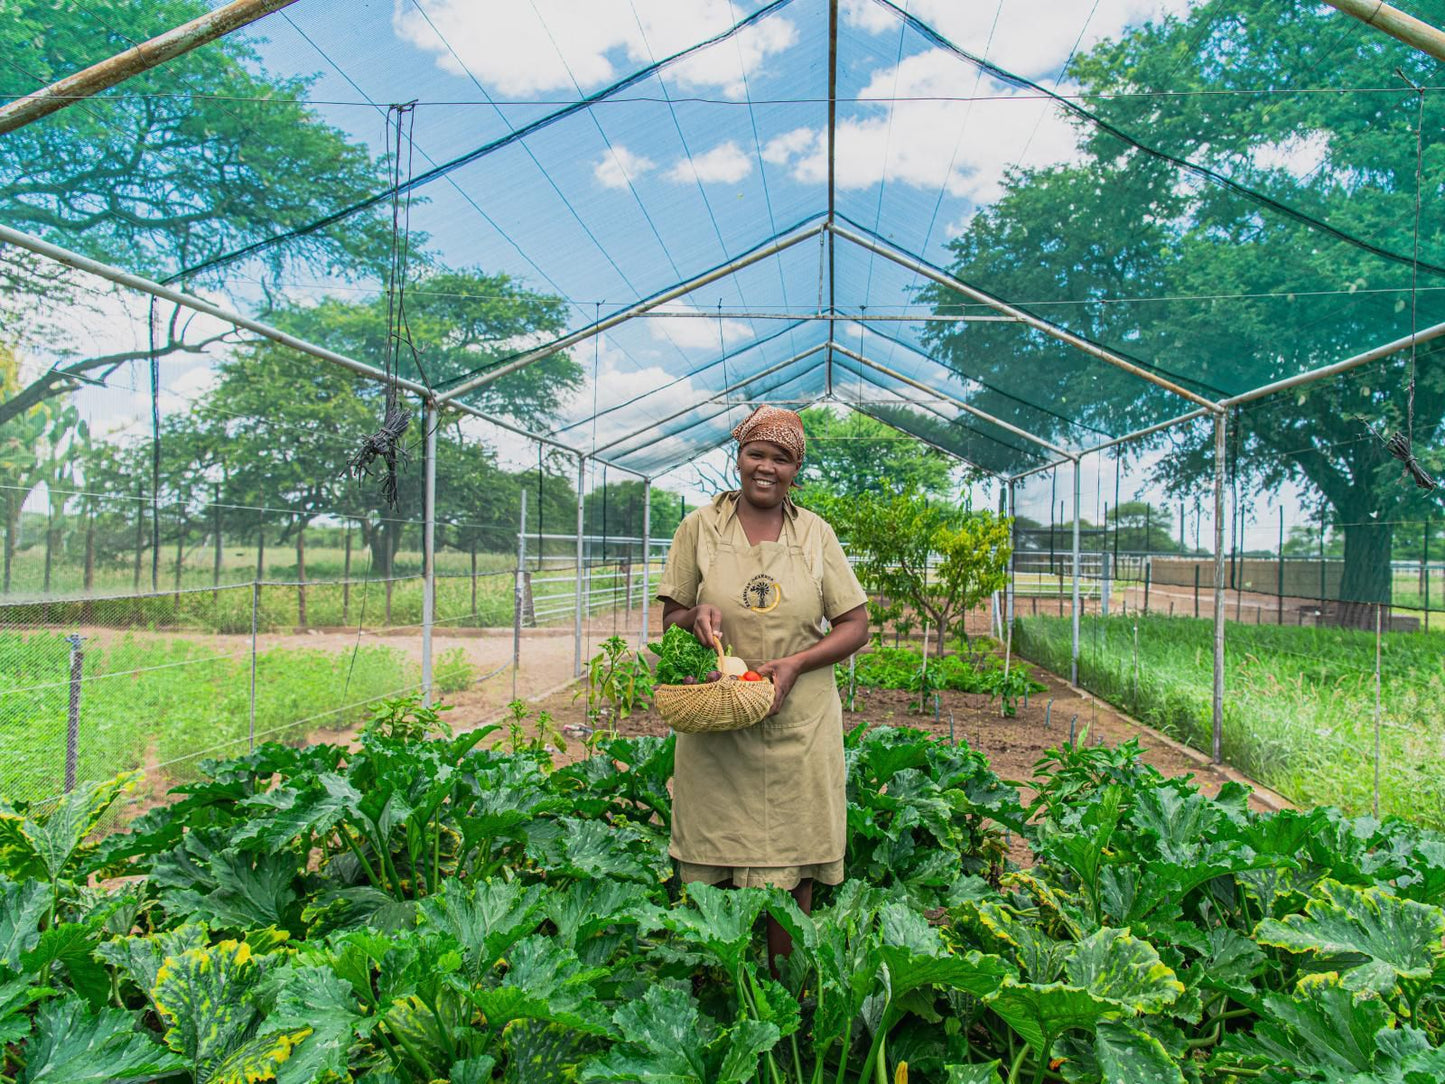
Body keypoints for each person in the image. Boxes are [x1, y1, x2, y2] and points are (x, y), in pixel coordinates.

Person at [655, 404, 870, 967]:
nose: (766, 468)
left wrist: (796, 663)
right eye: (756, 453)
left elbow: (856, 626)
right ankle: (729, 981)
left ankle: (782, 989)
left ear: (796, 468)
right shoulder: (699, 527)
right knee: (716, 859)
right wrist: (695, 617)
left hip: (798, 721)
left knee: (792, 862)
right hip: (719, 723)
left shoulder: (816, 534)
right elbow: (670, 618)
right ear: (739, 456)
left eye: (782, 458)